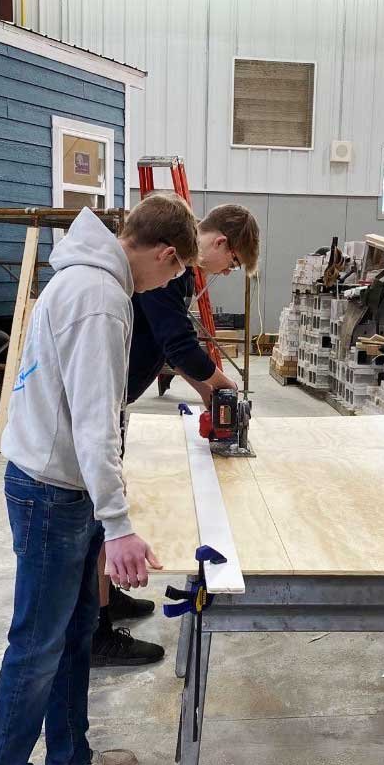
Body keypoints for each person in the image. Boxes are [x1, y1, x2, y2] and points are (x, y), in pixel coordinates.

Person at [0, 194, 200, 765]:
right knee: (37, 644)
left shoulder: (88, 278)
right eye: (176, 274)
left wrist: (106, 515)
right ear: (165, 255)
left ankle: (67, 760)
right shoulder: (102, 298)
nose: (170, 287)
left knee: (75, 629)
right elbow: (97, 422)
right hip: (52, 489)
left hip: (58, 482)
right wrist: (119, 523)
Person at [90, 204, 262, 667]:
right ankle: (96, 631)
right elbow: (177, 344)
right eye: (233, 263)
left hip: (115, 397)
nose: (226, 272)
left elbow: (177, 340)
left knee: (98, 516)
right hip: (101, 401)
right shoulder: (167, 271)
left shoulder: (177, 274)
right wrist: (219, 387)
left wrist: (209, 391)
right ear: (222, 243)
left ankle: (107, 601)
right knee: (97, 516)